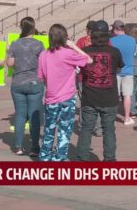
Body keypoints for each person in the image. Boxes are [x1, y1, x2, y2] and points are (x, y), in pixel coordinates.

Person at [38, 24, 93, 161]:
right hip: (67, 97)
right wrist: (73, 46)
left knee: (49, 130)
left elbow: (41, 77)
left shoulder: (44, 54)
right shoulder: (69, 53)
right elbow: (89, 60)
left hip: (51, 97)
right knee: (64, 130)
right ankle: (59, 157)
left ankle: (45, 157)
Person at [76, 20, 124, 162]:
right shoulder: (114, 52)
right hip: (109, 97)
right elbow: (119, 68)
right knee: (108, 129)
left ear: (92, 35)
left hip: (90, 96)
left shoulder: (85, 52)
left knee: (86, 129)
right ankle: (109, 159)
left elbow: (80, 70)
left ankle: (82, 158)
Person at [7, 17, 44, 156]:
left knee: (20, 115)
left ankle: (18, 146)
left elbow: (10, 63)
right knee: (34, 115)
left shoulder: (15, 44)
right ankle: (34, 147)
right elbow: (44, 61)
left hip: (18, 83)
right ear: (33, 28)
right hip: (34, 82)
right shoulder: (39, 44)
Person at [110, 20, 137, 125]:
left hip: (116, 70)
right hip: (128, 70)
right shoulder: (132, 40)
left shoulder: (111, 41)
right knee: (127, 95)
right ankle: (126, 118)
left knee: (114, 96)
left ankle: (112, 117)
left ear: (116, 29)